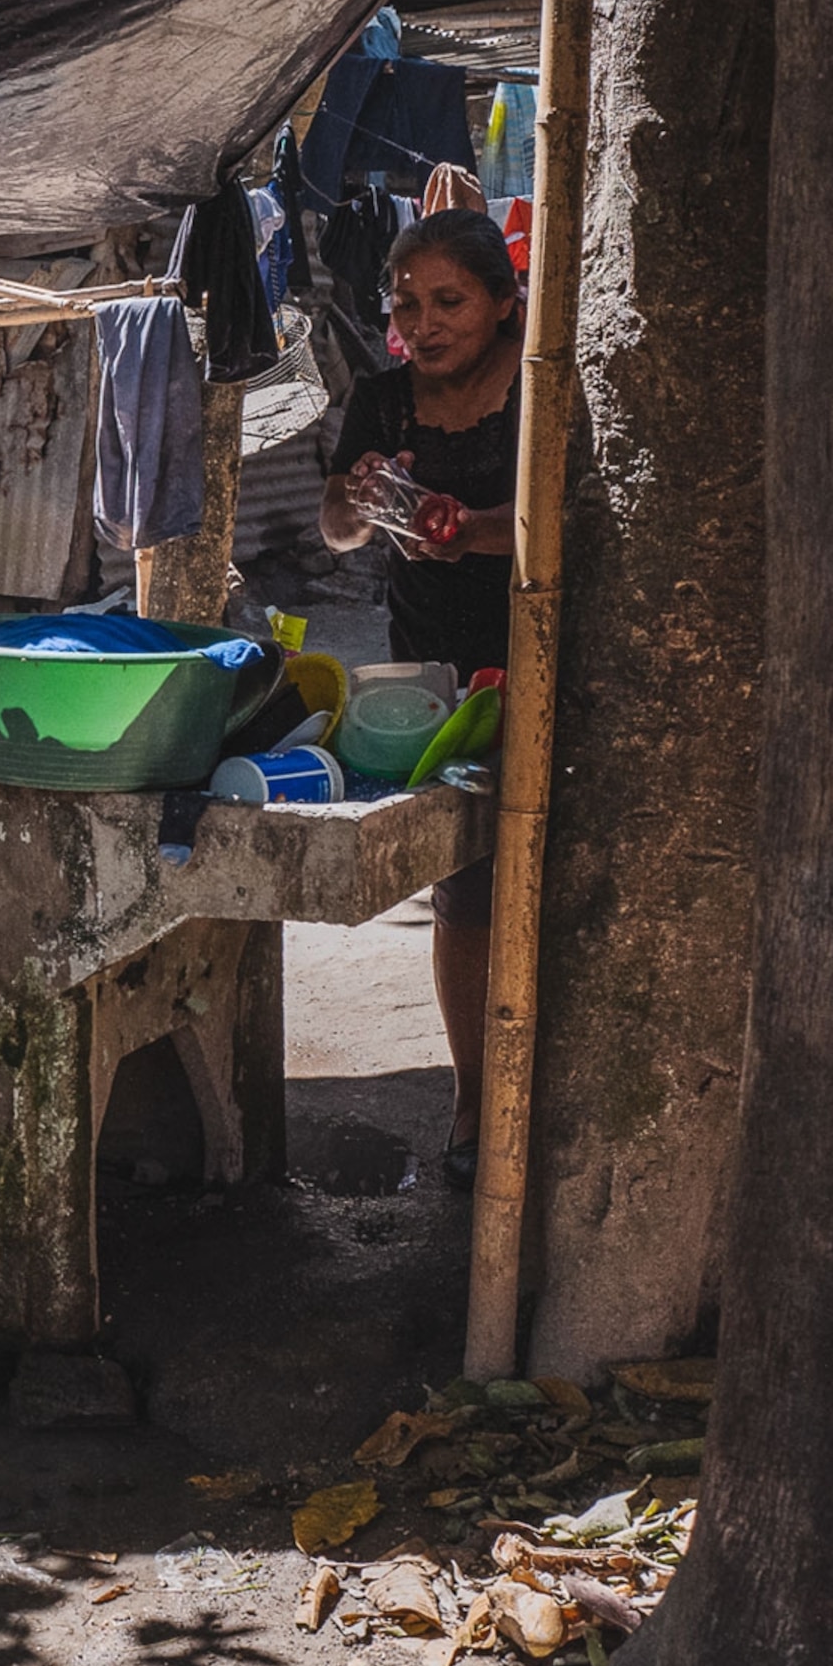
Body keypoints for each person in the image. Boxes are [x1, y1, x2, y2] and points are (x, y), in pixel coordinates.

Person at [316, 207, 521, 1192]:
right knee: (466, 884)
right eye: (406, 304)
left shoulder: (543, 385)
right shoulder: (384, 400)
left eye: (450, 300)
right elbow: (335, 530)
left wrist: (466, 527)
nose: (425, 322)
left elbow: (560, 519)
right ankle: (474, 1102)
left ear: (501, 301)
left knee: (555, 880)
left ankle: (542, 1097)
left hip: (547, 658)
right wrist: (362, 499)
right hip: (435, 673)